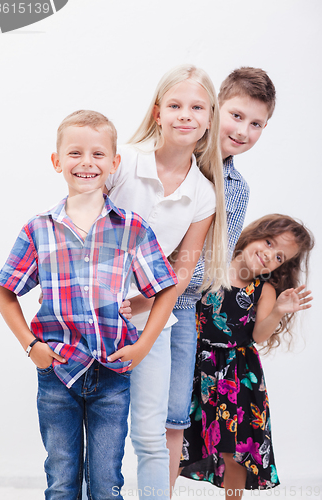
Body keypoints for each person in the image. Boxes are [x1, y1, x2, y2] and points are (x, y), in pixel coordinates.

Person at [0, 110, 179, 500]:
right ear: (57, 161)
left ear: (114, 164)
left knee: (106, 482)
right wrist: (31, 347)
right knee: (61, 480)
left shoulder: (131, 227)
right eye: (75, 153)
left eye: (98, 154)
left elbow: (165, 288)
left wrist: (143, 344)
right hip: (57, 371)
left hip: (112, 373)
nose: (86, 162)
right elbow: (5, 291)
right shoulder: (39, 228)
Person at [105, 64, 229, 497]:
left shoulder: (204, 194)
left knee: (150, 435)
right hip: (93, 314)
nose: (185, 115)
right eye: (175, 105)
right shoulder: (124, 162)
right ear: (158, 112)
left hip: (154, 321)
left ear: (209, 119)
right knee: (96, 432)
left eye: (197, 107)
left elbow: (180, 268)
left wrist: (143, 310)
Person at [168, 67, 276, 488]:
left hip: (185, 314)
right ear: (215, 110)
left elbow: (211, 264)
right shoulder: (173, 158)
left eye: (257, 124)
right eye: (236, 116)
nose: (244, 131)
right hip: (135, 300)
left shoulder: (236, 187)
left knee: (173, 422)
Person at [180, 214, 314, 497]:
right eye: (268, 242)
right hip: (194, 366)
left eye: (279, 257)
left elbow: (258, 335)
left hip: (237, 374)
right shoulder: (210, 267)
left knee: (234, 449)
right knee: (179, 437)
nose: (268, 255)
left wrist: (278, 310)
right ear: (253, 234)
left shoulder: (263, 290)